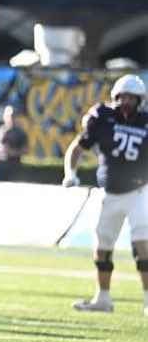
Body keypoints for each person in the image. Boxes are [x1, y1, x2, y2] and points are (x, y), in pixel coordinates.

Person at [62, 74, 148, 316]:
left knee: (143, 245)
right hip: (109, 194)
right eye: (122, 97)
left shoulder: (145, 122)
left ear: (139, 100)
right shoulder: (103, 118)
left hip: (139, 192)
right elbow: (77, 148)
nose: (126, 102)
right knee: (102, 248)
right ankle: (103, 298)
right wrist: (70, 173)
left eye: (131, 98)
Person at [0, 105, 29, 182]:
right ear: (4, 116)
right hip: (0, 167)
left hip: (14, 168)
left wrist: (12, 152)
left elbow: (26, 150)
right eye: (8, 116)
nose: (10, 118)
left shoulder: (20, 133)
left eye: (12, 116)